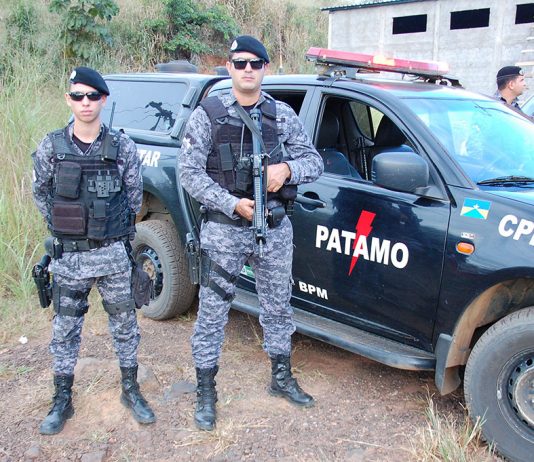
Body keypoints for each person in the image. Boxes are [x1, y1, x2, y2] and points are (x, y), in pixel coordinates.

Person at [178, 35, 324, 431]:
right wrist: (231, 203)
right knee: (212, 312)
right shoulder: (208, 114)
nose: (247, 70)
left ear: (265, 69)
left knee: (278, 307)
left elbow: (314, 161)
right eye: (239, 63)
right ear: (229, 67)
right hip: (225, 230)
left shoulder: (281, 115)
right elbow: (188, 172)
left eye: (254, 63)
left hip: (274, 229)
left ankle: (281, 377)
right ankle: (205, 390)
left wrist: (287, 170)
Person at [32, 66, 155, 435]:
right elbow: (41, 193)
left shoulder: (122, 147)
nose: (85, 103)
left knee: (125, 325)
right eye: (77, 96)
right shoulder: (52, 146)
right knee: (65, 328)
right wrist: (69, 226)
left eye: (92, 96)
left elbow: (134, 197)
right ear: (68, 100)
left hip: (113, 255)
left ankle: (130, 390)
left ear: (103, 99)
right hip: (70, 257)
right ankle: (62, 399)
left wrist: (108, 230)